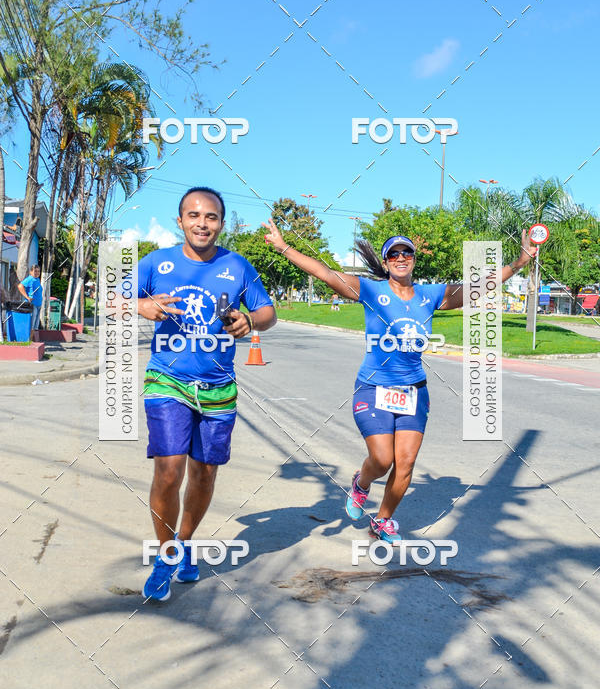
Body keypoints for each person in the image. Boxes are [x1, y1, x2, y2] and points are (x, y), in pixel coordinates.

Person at [263, 219, 537, 542]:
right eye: (394, 254)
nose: (401, 258)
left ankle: (382, 520)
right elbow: (324, 273)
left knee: (404, 465)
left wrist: (520, 262)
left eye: (407, 252)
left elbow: (479, 286)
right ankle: (361, 483)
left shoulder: (429, 295)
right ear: (385, 262)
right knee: (382, 460)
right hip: (373, 387)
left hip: (413, 392)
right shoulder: (371, 290)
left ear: (414, 260)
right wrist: (283, 248)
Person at [138, 187, 276, 600]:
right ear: (179, 221)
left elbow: (268, 312)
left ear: (221, 222)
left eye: (211, 217)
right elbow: (111, 297)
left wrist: (250, 319)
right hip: (167, 379)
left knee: (204, 473)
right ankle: (164, 556)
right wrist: (138, 307)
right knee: (169, 469)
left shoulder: (237, 266)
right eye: (194, 215)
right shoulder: (155, 262)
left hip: (218, 387)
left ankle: (183, 544)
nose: (203, 223)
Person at [18, 264, 43, 341]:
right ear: (31, 272)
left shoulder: (37, 279)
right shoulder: (29, 279)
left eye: (38, 271)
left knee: (36, 325)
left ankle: (32, 340)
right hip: (32, 305)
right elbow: (20, 286)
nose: (37, 273)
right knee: (31, 324)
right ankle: (28, 340)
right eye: (35, 271)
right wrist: (27, 297)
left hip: (39, 304)